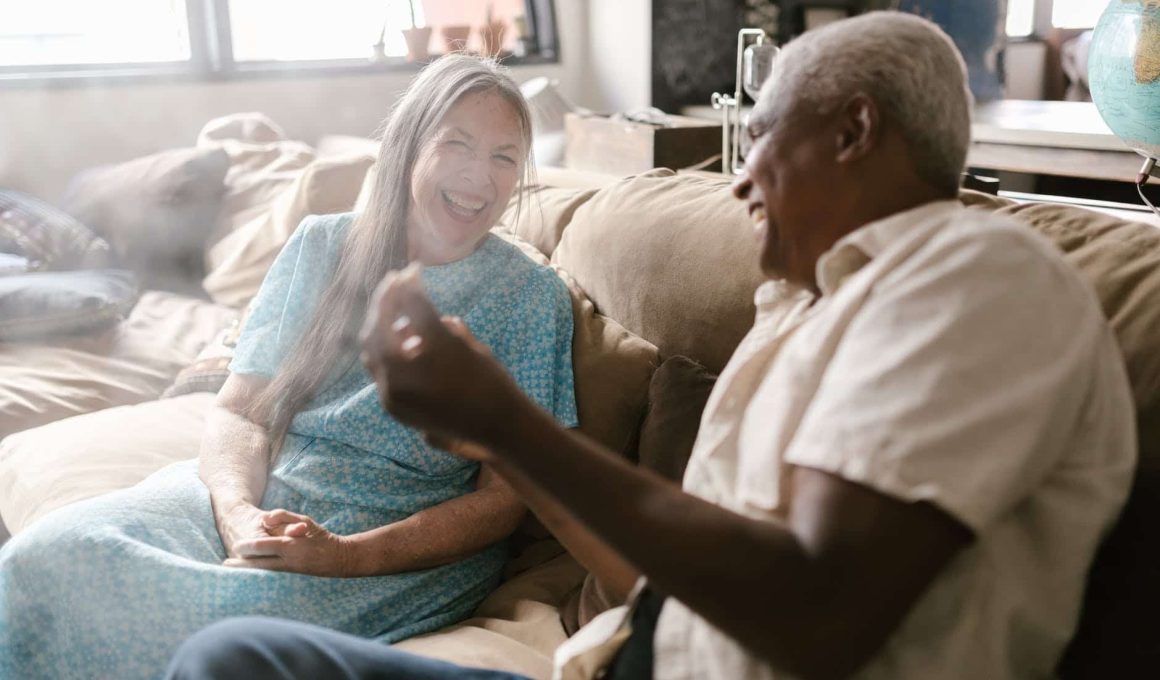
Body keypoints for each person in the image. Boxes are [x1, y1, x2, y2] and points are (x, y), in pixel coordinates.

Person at [167, 12, 1136, 680]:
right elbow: (657, 580)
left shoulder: (975, 281)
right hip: (625, 652)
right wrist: (491, 439)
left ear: (852, 131)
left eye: (757, 138)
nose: (740, 180)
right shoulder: (800, 313)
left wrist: (506, 418)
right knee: (237, 658)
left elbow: (821, 613)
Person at [0, 54, 579, 680]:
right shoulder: (322, 244)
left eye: (504, 156)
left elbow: (503, 500)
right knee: (45, 556)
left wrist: (346, 558)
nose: (479, 177)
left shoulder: (529, 297)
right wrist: (238, 512)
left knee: (189, 627)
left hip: (389, 541)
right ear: (409, 146)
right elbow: (243, 408)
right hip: (253, 494)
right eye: (457, 144)